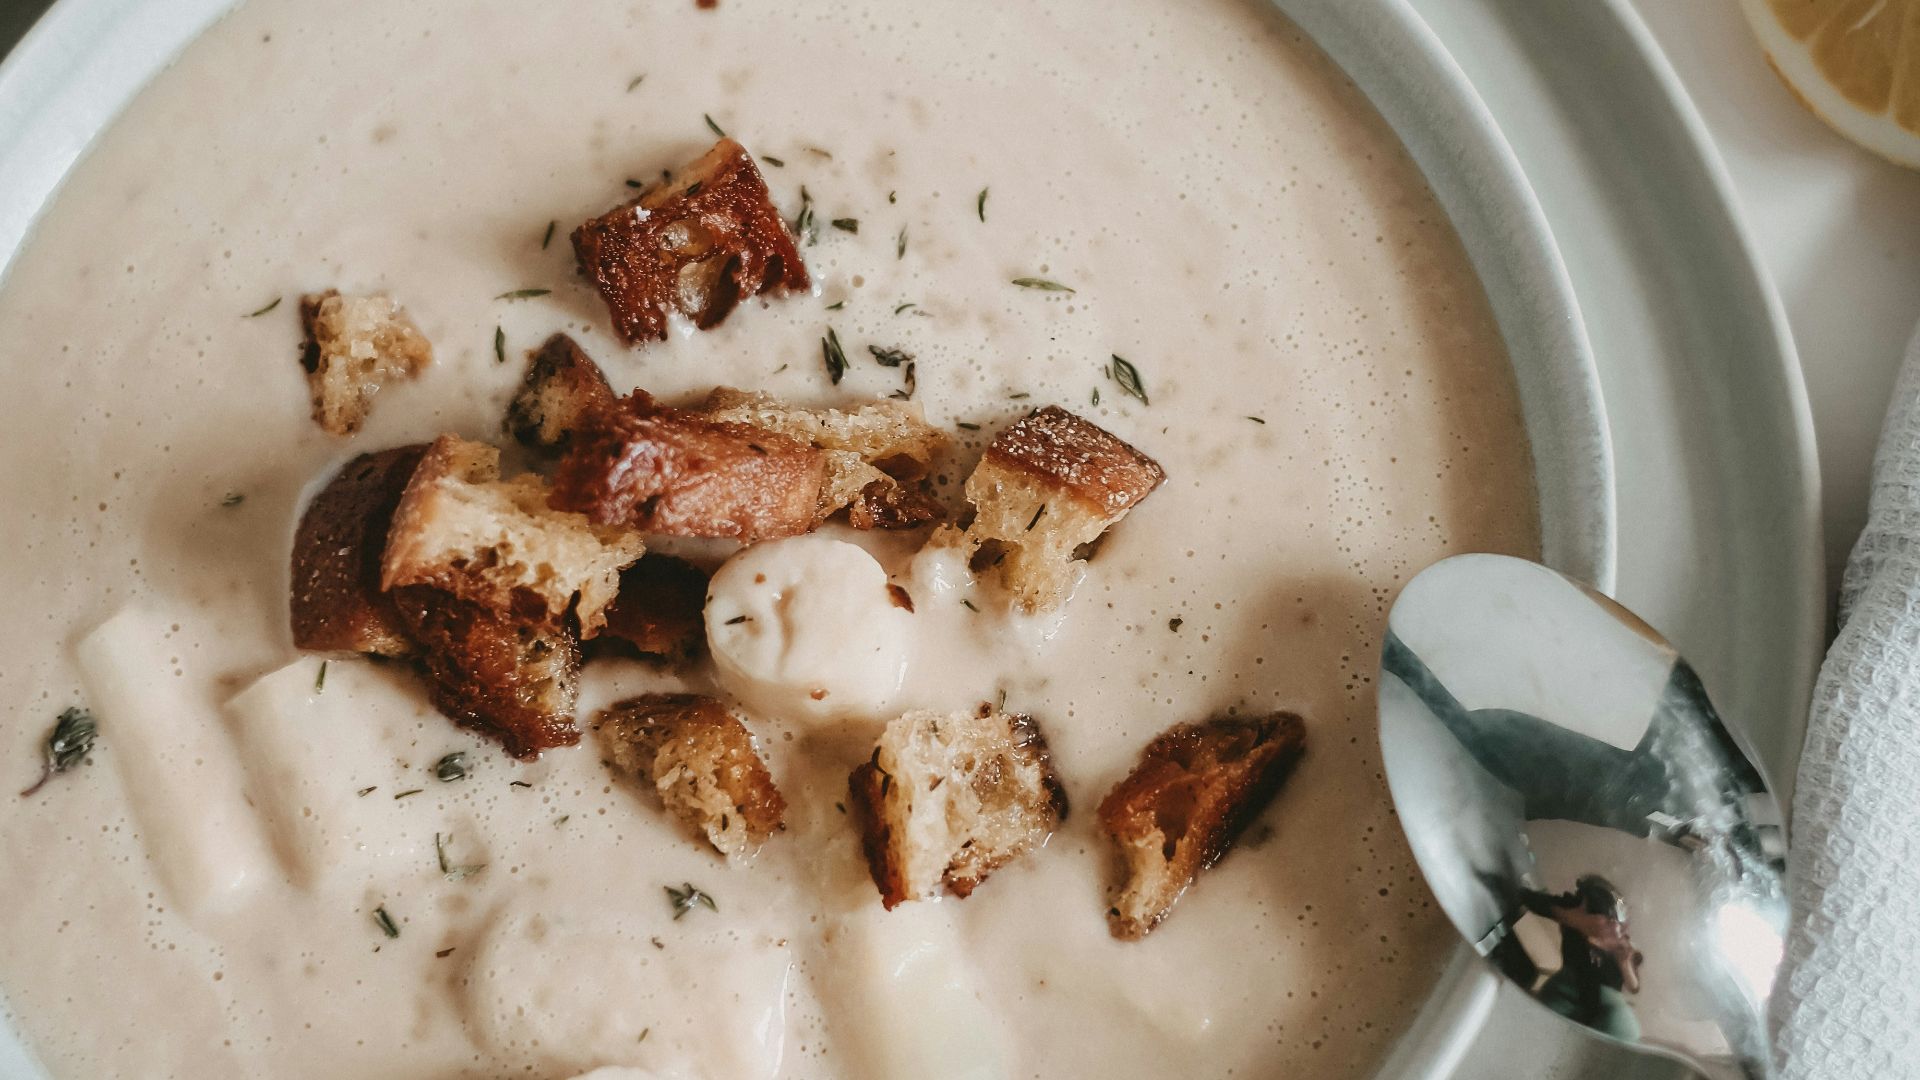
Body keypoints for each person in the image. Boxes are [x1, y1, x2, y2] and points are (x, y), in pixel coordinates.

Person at [1521, 876, 1644, 1043]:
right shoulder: (1574, 918)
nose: (1616, 928)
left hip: (1604, 1012)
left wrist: (1624, 963)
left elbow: (1634, 987)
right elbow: (1532, 899)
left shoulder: (1622, 945)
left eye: (1619, 922)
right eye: (1609, 920)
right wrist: (1572, 918)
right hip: (1567, 1000)